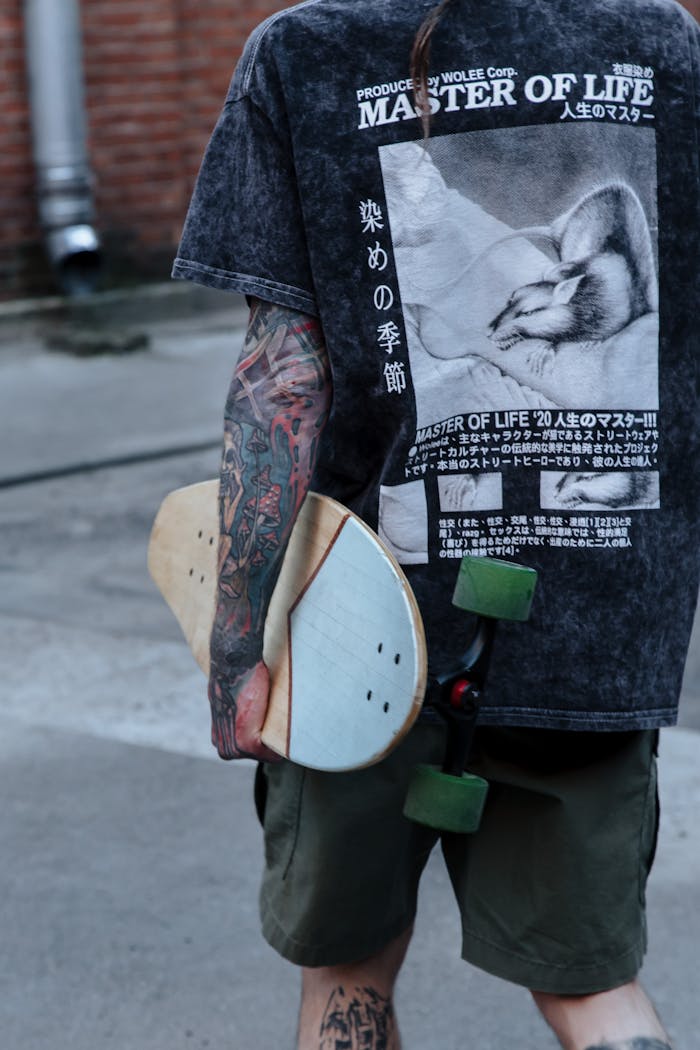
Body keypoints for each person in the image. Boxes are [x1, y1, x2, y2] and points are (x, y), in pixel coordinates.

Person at [173, 0, 699, 1046]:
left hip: (359, 608)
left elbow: (282, 387)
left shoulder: (306, 52)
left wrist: (238, 645)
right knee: (592, 989)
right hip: (589, 613)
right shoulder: (663, 45)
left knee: (345, 972)